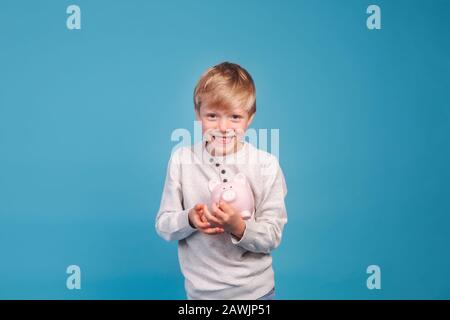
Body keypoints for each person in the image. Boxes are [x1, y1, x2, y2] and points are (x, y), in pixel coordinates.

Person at [155, 62, 288, 300]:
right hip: (201, 296)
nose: (223, 127)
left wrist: (239, 227)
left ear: (250, 117)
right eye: (212, 116)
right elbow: (164, 225)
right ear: (198, 114)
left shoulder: (266, 165)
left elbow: (272, 235)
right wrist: (190, 219)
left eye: (235, 117)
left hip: (255, 294)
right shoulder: (182, 160)